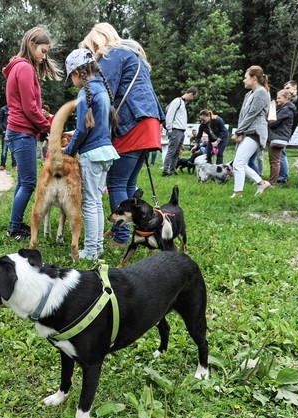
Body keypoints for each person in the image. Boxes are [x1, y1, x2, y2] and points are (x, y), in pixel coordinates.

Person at [79, 22, 166, 249]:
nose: (93, 57)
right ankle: (132, 231)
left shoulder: (111, 54)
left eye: (91, 49)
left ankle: (121, 238)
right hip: (150, 122)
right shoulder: (133, 54)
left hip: (132, 123)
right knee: (129, 183)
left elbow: (102, 92)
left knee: (116, 182)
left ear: (97, 42)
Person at [3, 26, 61, 241]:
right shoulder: (25, 68)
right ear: (31, 45)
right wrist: (49, 127)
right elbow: (30, 108)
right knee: (28, 182)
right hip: (22, 131)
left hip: (20, 130)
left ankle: (15, 224)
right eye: (43, 51)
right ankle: (14, 229)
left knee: (22, 182)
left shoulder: (19, 67)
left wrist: (42, 127)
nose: (45, 56)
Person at [62, 48, 120, 261]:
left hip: (92, 154)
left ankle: (91, 250)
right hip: (106, 152)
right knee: (96, 202)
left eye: (72, 79)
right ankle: (97, 248)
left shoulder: (85, 93)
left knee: (89, 203)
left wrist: (68, 151)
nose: (73, 84)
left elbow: (81, 130)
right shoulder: (103, 90)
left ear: (78, 73)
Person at [230, 66, 272, 198]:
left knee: (238, 163)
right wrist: (241, 132)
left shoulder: (261, 92)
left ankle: (238, 193)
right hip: (247, 132)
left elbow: (252, 114)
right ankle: (261, 182)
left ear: (254, 78)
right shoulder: (249, 94)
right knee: (239, 162)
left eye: (245, 77)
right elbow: (243, 115)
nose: (243, 80)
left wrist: (238, 131)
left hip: (256, 132)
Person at [163, 86, 199, 175]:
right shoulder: (177, 101)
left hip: (181, 130)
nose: (192, 99)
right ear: (191, 94)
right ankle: (166, 170)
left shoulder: (183, 103)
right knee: (171, 151)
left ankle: (173, 169)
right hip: (175, 130)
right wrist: (169, 128)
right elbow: (169, 115)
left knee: (176, 152)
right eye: (193, 97)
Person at [266, 89, 296, 186]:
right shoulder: (285, 108)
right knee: (274, 160)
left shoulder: (286, 110)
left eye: (279, 98)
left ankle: (273, 182)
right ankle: (274, 180)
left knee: (275, 161)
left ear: (286, 98)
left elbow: (273, 122)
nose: (277, 100)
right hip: (278, 137)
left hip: (278, 137)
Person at [277, 80, 298, 183]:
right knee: (280, 152)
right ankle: (282, 174)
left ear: (294, 87)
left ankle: (283, 176)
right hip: (286, 129)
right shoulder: (293, 100)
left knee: (281, 151)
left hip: (287, 130)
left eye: (288, 88)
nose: (286, 91)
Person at [0, 104, 16, 171]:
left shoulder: (15, 108)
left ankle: (14, 165)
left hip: (13, 133)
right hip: (6, 133)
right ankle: (2, 165)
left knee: (13, 150)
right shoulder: (3, 109)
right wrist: (3, 130)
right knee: (4, 149)